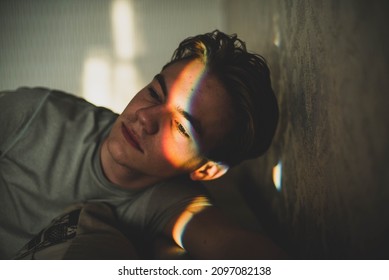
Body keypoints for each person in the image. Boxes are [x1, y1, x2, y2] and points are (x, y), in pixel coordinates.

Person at [0, 30, 283, 259]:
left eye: (181, 127)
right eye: (155, 93)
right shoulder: (35, 114)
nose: (145, 118)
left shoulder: (170, 202)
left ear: (206, 170)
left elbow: (236, 248)